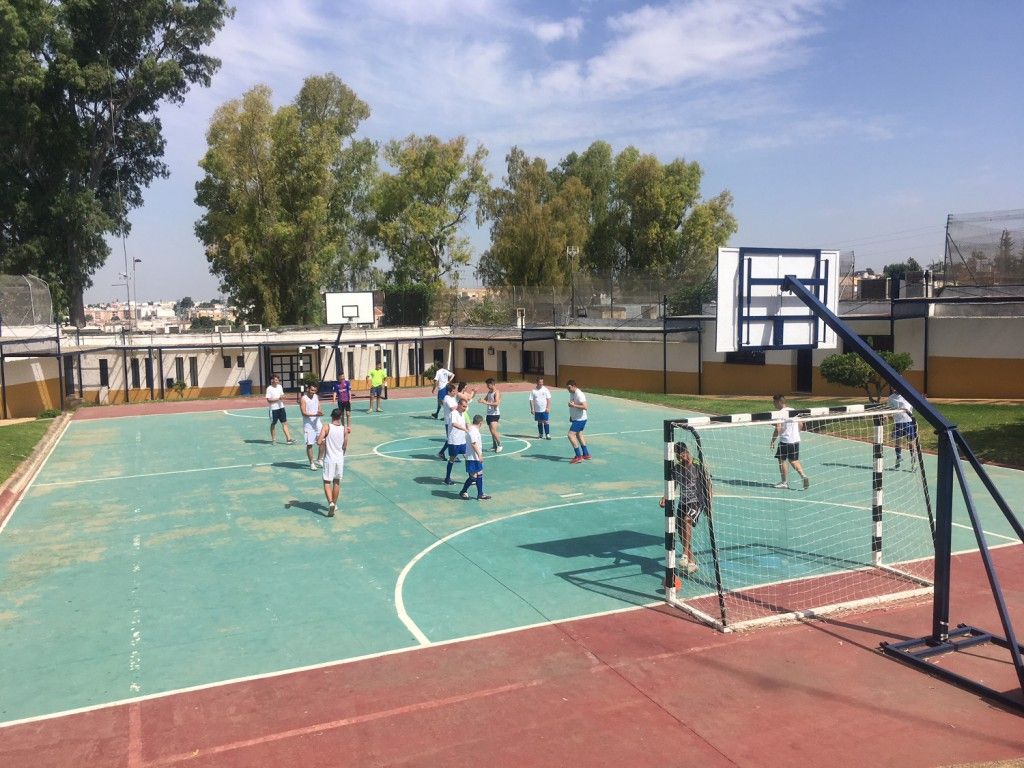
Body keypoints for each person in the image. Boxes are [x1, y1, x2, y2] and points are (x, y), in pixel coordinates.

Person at [659, 442, 711, 575]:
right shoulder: (677, 468)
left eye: (681, 454)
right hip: (683, 502)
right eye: (677, 455)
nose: (679, 457)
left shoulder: (697, 465)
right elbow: (673, 485)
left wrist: (709, 504)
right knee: (682, 532)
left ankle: (684, 554)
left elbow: (708, 484)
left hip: (697, 501)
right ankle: (692, 562)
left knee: (687, 520)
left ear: (686, 452)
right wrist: (665, 497)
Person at [770, 394, 810, 490]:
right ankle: (803, 475)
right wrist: (795, 433)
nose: (773, 404)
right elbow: (801, 424)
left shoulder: (780, 413)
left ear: (779, 402)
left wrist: (772, 441)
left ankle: (784, 482)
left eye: (774, 402)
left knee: (782, 460)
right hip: (795, 440)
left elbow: (778, 428)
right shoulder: (793, 410)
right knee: (793, 460)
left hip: (785, 441)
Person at [316, 408, 349, 517]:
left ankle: (330, 502)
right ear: (340, 417)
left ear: (332, 416)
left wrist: (322, 440)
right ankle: (334, 504)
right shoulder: (344, 429)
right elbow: (344, 446)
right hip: (339, 459)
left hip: (329, 459)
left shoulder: (326, 427)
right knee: (336, 482)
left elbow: (319, 442)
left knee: (326, 482)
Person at [460, 414, 491, 500]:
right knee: (473, 477)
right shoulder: (473, 431)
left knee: (480, 473)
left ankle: (480, 494)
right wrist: (480, 455)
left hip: (475, 457)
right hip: (472, 457)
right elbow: (474, 444)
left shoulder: (473, 430)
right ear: (480, 423)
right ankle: (463, 491)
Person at [888, 387, 919, 470]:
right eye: (893, 387)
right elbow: (890, 411)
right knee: (898, 442)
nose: (894, 388)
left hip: (908, 422)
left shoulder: (907, 395)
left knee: (911, 443)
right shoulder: (891, 398)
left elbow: (912, 407)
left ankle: (913, 462)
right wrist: (888, 417)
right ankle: (898, 458)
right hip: (898, 423)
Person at [300, 383, 325, 471]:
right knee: (310, 444)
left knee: (323, 441)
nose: (313, 392)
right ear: (307, 389)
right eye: (311, 390)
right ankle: (311, 463)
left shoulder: (316, 396)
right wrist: (315, 414)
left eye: (314, 391)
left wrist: (320, 412)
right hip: (308, 425)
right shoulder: (303, 399)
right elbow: (303, 413)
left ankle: (319, 459)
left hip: (317, 423)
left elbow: (319, 407)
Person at [444, 400, 469, 485]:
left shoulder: (463, 414)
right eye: (463, 406)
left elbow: (465, 424)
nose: (465, 408)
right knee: (452, 458)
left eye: (466, 406)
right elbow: (454, 424)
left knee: (467, 456)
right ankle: (447, 478)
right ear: (459, 405)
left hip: (462, 440)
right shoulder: (453, 413)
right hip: (454, 441)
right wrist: (464, 429)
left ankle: (471, 476)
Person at [566, 379, 591, 464]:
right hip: (576, 418)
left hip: (580, 419)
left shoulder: (579, 394)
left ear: (574, 386)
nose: (568, 390)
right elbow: (574, 404)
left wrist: (573, 405)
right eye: (567, 388)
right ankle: (586, 454)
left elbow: (585, 407)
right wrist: (571, 416)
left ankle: (578, 456)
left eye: (569, 388)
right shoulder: (572, 393)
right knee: (579, 434)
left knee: (570, 435)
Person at [265, 375, 294, 445]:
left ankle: (289, 439)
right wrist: (278, 398)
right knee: (273, 424)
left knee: (284, 423)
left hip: (281, 408)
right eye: (276, 380)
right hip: (273, 409)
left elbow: (282, 395)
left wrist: (283, 396)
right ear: (272, 380)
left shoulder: (280, 387)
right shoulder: (269, 389)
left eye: (278, 380)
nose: (277, 381)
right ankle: (274, 440)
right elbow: (268, 400)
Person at [478, 378, 502, 452]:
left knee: (493, 431)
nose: (487, 386)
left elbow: (496, 403)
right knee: (491, 432)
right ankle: (494, 446)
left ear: (492, 384)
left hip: (494, 414)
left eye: (488, 385)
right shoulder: (489, 392)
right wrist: (482, 400)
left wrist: (486, 403)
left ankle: (500, 445)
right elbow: (485, 399)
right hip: (489, 413)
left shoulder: (496, 392)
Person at [437, 382, 459, 459]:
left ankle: (443, 453)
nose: (455, 392)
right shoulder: (447, 398)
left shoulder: (452, 397)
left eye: (455, 391)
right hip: (449, 422)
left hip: (454, 421)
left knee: (453, 438)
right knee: (451, 439)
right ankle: (449, 454)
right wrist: (460, 406)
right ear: (449, 392)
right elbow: (452, 408)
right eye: (453, 391)